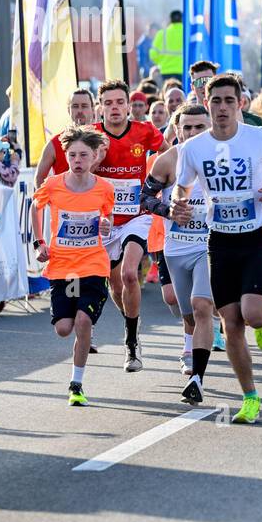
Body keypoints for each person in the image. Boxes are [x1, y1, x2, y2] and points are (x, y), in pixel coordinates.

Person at [172, 74, 262, 424]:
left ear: (240, 104)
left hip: (253, 239)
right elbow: (182, 187)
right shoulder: (193, 148)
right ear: (207, 104)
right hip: (219, 243)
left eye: (228, 101)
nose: (222, 108)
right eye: (216, 101)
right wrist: (179, 204)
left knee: (253, 315)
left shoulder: (257, 137)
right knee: (232, 324)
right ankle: (250, 397)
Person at [31, 127, 115, 406]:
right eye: (72, 155)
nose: (77, 160)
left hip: (93, 265)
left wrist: (106, 225)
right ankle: (83, 328)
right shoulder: (54, 184)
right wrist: (40, 242)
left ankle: (76, 384)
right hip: (64, 267)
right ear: (65, 157)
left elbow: (108, 218)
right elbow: (36, 206)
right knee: (64, 329)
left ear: (94, 157)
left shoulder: (104, 188)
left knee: (82, 321)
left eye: (83, 155)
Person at [141, 104, 217, 403]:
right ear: (177, 129)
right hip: (176, 248)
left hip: (210, 245)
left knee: (201, 307)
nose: (194, 133)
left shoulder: (220, 158)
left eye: (200, 127)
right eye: (187, 127)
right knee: (188, 315)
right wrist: (169, 210)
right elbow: (145, 198)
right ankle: (191, 341)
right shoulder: (168, 160)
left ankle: (197, 379)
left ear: (210, 127)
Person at [93, 80, 165, 370]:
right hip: (106, 221)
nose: (114, 108)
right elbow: (74, 165)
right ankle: (131, 322)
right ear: (101, 107)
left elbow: (170, 153)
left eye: (119, 102)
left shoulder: (144, 131)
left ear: (128, 105)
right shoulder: (92, 136)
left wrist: (161, 187)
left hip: (137, 215)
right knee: (115, 283)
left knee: (130, 274)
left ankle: (132, 342)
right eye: (108, 103)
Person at [36, 89, 99, 185]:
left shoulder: (103, 141)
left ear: (93, 109)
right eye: (75, 106)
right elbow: (39, 179)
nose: (80, 111)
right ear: (68, 110)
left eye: (84, 106)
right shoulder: (55, 143)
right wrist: (47, 199)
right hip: (65, 199)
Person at [149, 11, 185, 81]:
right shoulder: (187, 34)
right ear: (182, 19)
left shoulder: (162, 33)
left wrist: (161, 62)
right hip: (183, 71)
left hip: (165, 71)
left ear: (170, 20)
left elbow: (153, 54)